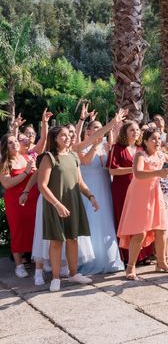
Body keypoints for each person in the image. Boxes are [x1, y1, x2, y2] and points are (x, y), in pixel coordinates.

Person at [117, 128, 168, 280]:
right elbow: (137, 173)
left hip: (155, 193)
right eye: (153, 139)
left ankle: (161, 262)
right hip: (139, 195)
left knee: (161, 229)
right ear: (145, 142)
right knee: (140, 232)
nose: (157, 142)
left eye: (159, 138)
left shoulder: (162, 155)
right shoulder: (140, 155)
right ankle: (130, 268)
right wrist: (158, 173)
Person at [37, 126, 97, 292]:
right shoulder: (49, 157)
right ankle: (56, 278)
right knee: (56, 241)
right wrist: (57, 204)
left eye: (68, 134)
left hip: (73, 202)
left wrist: (91, 196)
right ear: (54, 138)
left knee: (73, 239)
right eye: (62, 135)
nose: (67, 137)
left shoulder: (73, 156)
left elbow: (80, 182)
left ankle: (73, 273)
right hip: (55, 204)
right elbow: (42, 186)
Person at [78, 118, 124, 275]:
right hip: (90, 187)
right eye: (96, 128)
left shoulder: (105, 147)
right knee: (93, 220)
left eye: (101, 128)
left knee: (106, 220)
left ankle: (110, 258)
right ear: (89, 132)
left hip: (105, 186)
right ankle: (91, 259)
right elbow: (85, 162)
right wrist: (95, 145)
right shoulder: (82, 147)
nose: (100, 130)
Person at [108, 120, 154, 264]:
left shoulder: (142, 148)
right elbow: (112, 170)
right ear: (124, 132)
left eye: (137, 130)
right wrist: (134, 169)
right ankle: (127, 256)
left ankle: (143, 254)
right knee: (126, 221)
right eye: (131, 130)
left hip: (141, 189)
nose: (135, 132)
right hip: (122, 189)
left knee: (141, 221)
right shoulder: (117, 148)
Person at [0, 135, 38, 277]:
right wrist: (27, 172)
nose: (14, 144)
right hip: (15, 202)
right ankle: (19, 265)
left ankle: (38, 260)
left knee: (35, 229)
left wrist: (33, 171)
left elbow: (36, 174)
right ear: (5, 147)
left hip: (32, 199)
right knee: (18, 231)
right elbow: (7, 183)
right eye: (10, 143)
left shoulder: (26, 157)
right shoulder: (4, 163)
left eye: (15, 141)